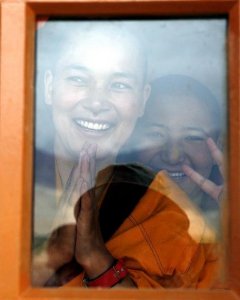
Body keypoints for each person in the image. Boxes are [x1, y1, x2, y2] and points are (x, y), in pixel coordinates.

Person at [32, 23, 220, 288]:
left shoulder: (165, 209)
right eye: (78, 79)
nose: (96, 103)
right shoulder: (12, 172)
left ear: (143, 100)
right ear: (49, 86)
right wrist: (52, 256)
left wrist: (97, 259)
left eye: (119, 85)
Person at [119, 75, 224, 230]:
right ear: (130, 139)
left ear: (219, 146)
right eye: (156, 134)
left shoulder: (229, 227)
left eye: (192, 137)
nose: (172, 156)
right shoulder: (108, 217)